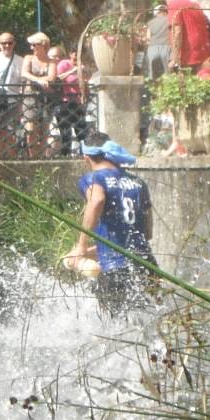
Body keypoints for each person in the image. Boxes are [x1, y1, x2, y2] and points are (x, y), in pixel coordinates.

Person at [63, 132, 155, 316]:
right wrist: (90, 253)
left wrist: (81, 246)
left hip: (115, 270)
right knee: (152, 320)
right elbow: (146, 233)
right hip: (147, 265)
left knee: (116, 327)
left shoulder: (95, 178)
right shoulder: (138, 182)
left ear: (86, 159)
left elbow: (96, 201)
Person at [21, 32, 58, 158]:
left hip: (46, 97)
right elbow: (24, 73)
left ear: (43, 45)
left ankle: (42, 158)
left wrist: (41, 80)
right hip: (30, 96)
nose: (32, 48)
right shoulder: (28, 58)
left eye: (34, 45)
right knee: (30, 128)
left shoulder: (52, 61)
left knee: (44, 129)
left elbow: (52, 77)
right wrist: (39, 80)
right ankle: (32, 157)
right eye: (31, 45)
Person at [163, 0, 210, 72]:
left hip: (187, 53)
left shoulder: (174, 4)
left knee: (185, 82)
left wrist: (174, 58)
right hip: (204, 51)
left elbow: (177, 31)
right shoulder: (195, 2)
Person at [143, 5, 170, 80]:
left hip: (152, 49)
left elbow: (148, 39)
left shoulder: (150, 23)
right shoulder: (170, 20)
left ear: (156, 13)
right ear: (164, 11)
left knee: (153, 76)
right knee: (167, 76)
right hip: (166, 48)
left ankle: (153, 89)